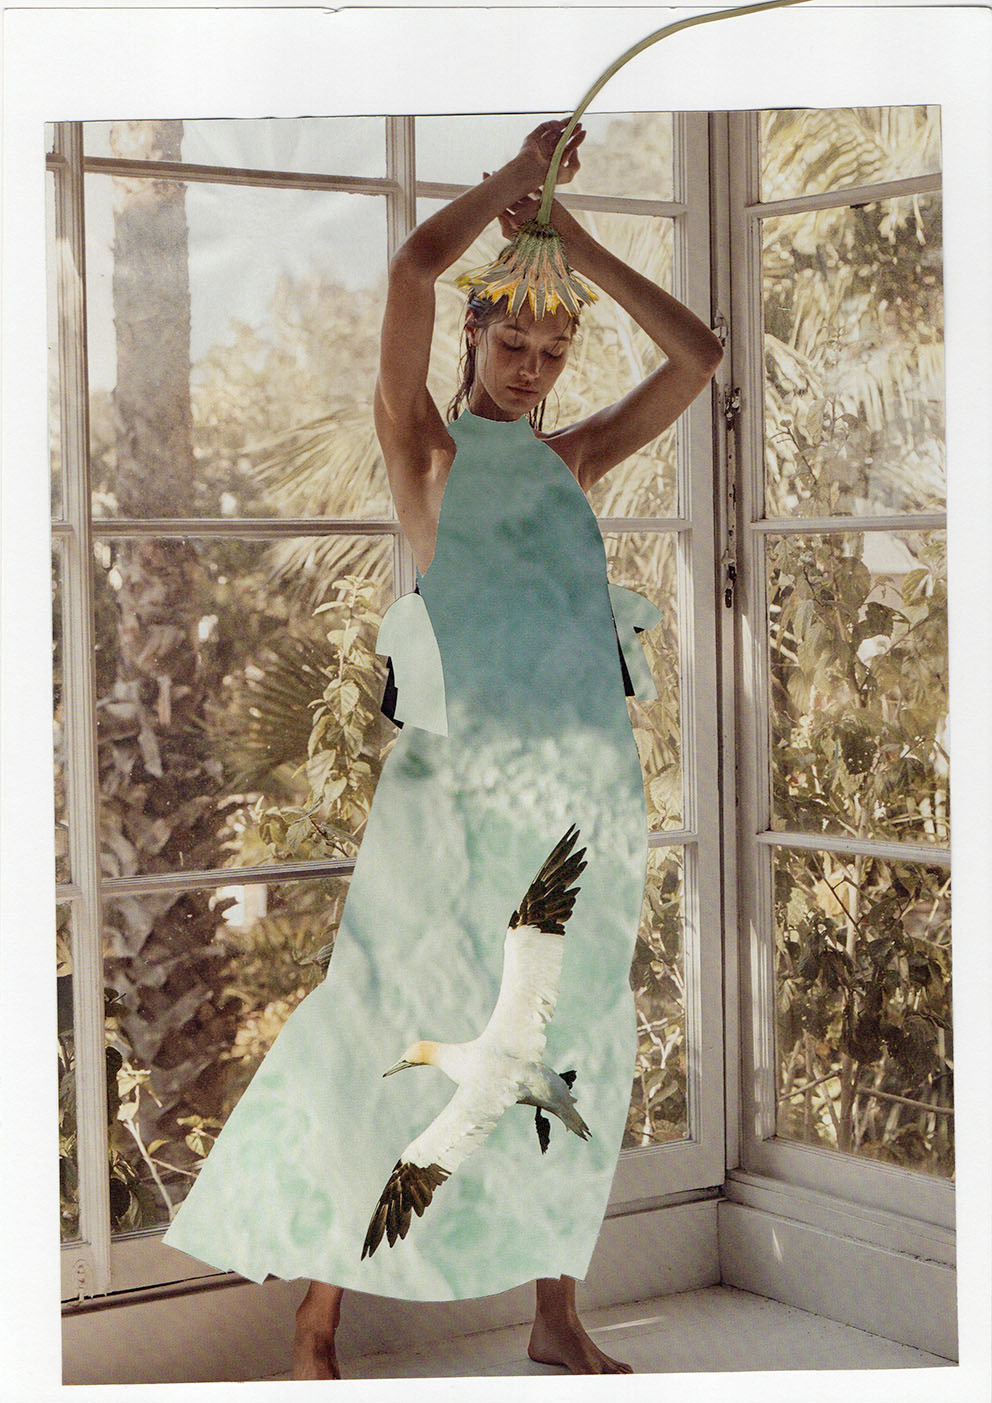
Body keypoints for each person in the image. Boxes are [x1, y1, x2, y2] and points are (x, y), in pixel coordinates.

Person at [162, 119, 722, 1379]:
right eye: (511, 343)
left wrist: (569, 238)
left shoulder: (573, 458)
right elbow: (413, 268)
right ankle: (316, 1317)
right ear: (473, 335)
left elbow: (698, 354)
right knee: (393, 1022)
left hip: (578, 799)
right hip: (449, 803)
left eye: (552, 351)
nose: (530, 368)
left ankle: (555, 1311)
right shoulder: (424, 450)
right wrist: (515, 185)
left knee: (564, 1041)